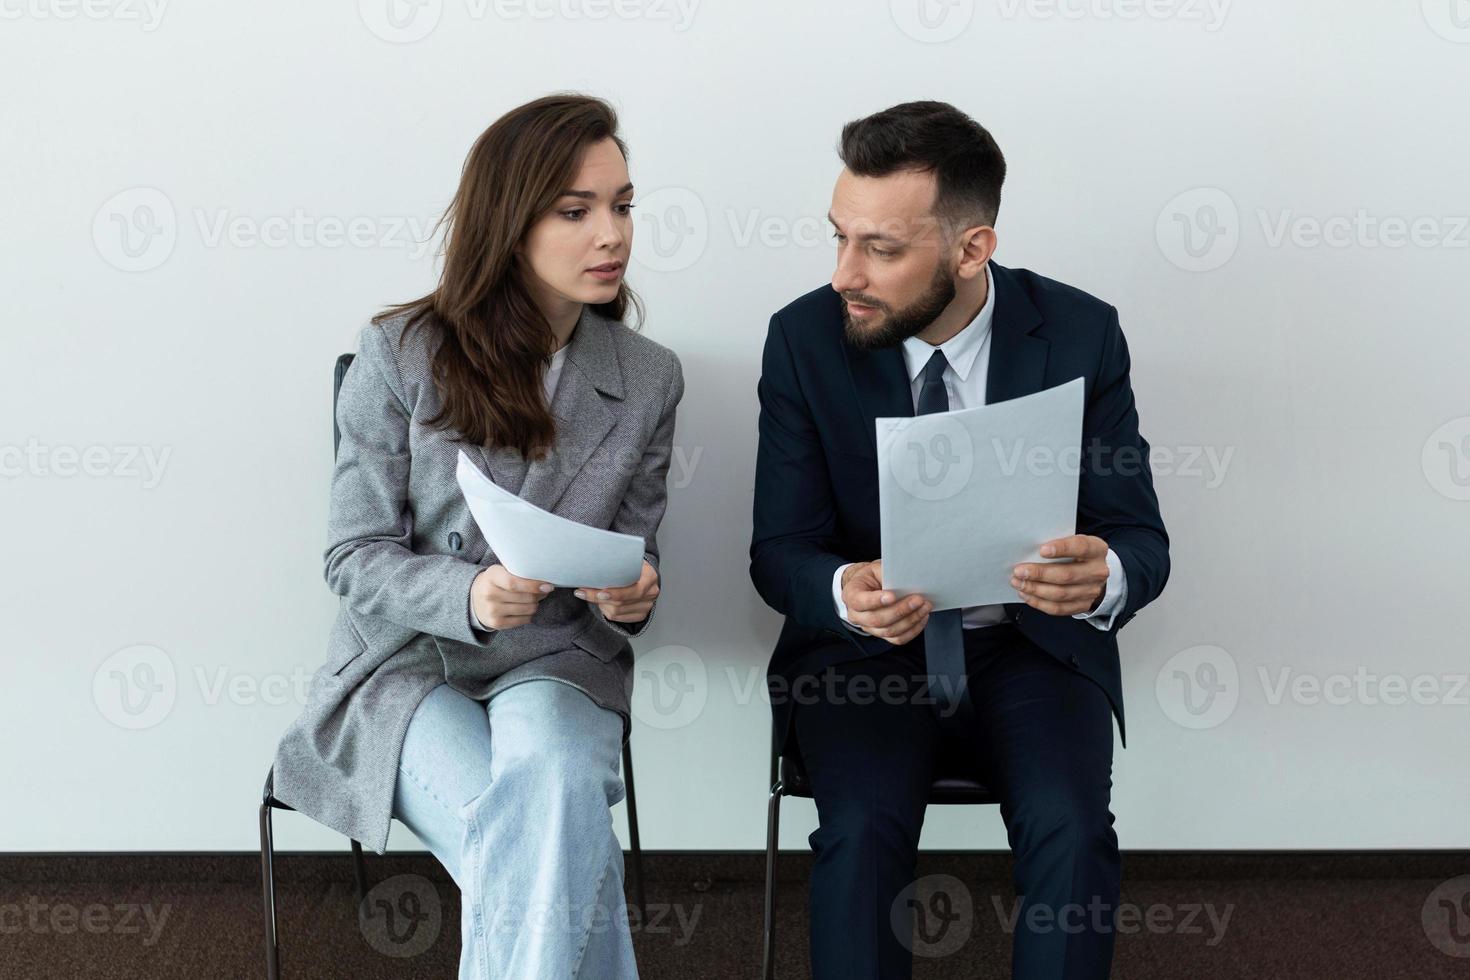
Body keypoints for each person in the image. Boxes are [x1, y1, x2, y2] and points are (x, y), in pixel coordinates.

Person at [749, 101, 1170, 980]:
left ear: (972, 249)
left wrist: (1103, 579)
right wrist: (841, 591)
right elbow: (779, 550)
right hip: (866, 660)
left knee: (1073, 828)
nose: (844, 275)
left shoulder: (1082, 333)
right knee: (860, 832)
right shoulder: (803, 341)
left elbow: (1140, 540)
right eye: (839, 237)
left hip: (1034, 650)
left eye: (882, 249)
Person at [271, 93, 683, 979]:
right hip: (404, 667)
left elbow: (638, 546)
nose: (612, 234)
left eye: (622, 205)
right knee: (553, 846)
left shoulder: (648, 378)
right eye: (576, 212)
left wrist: (637, 587)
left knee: (549, 811)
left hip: (557, 658)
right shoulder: (398, 352)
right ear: (509, 221)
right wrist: (467, 595)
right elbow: (352, 555)